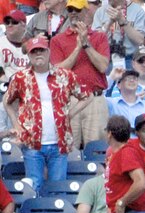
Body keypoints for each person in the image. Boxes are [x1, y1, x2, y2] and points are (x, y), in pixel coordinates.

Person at [3, 36, 86, 191]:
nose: (38, 54)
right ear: (28, 55)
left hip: (59, 141)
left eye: (41, 50)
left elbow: (86, 96)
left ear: (49, 52)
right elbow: (7, 101)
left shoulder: (65, 75)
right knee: (34, 185)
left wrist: (69, 114)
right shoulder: (20, 78)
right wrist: (16, 124)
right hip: (32, 141)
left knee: (58, 186)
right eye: (34, 51)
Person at [49, 0, 110, 148]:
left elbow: (103, 67)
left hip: (95, 100)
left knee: (97, 150)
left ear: (86, 11)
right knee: (68, 150)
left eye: (77, 9)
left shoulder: (99, 37)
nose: (73, 13)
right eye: (70, 10)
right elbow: (58, 73)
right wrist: (77, 48)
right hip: (70, 100)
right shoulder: (58, 39)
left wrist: (86, 44)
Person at [0, 10, 29, 81]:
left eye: (14, 22)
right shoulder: (1, 43)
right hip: (6, 86)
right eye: (7, 22)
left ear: (24, 25)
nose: (10, 25)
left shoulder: (32, 44)